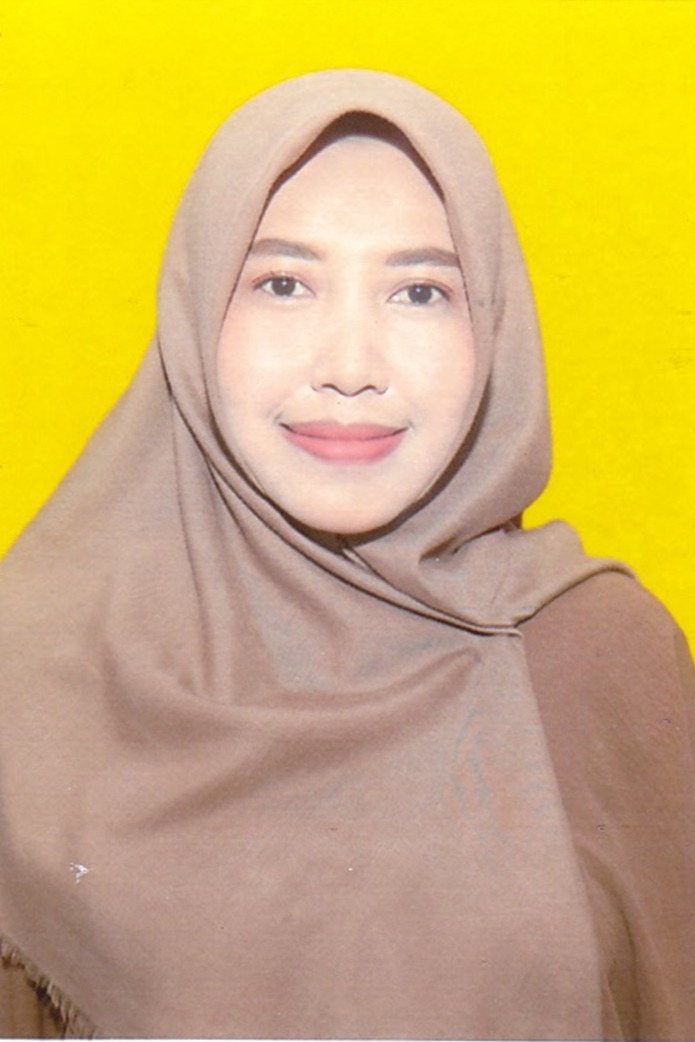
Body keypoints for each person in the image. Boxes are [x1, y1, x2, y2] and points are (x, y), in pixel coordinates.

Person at [0, 69, 693, 1041]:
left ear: (492, 324)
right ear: (195, 310)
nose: (351, 365)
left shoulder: (596, 653)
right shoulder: (37, 662)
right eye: (283, 284)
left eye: (419, 291)